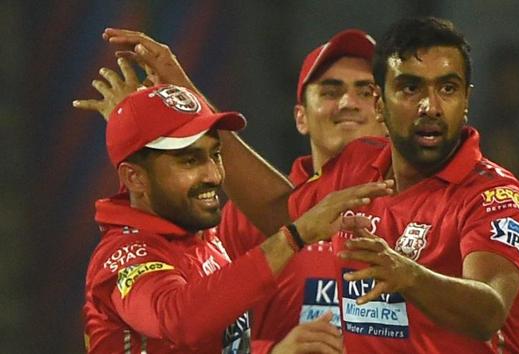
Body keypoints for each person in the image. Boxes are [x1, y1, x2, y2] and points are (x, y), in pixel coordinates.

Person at [78, 16, 519, 353]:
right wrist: (179, 103)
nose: (430, 107)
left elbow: (489, 311)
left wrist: (408, 275)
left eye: (448, 88)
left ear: (467, 101)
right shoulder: (359, 167)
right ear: (383, 104)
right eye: (410, 89)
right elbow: (283, 218)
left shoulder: (494, 197)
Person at [75, 28, 388, 354]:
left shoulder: (203, 237)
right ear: (300, 116)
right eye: (189, 160)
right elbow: (178, 318)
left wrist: (140, 130)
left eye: (216, 155)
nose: (213, 175)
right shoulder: (128, 253)